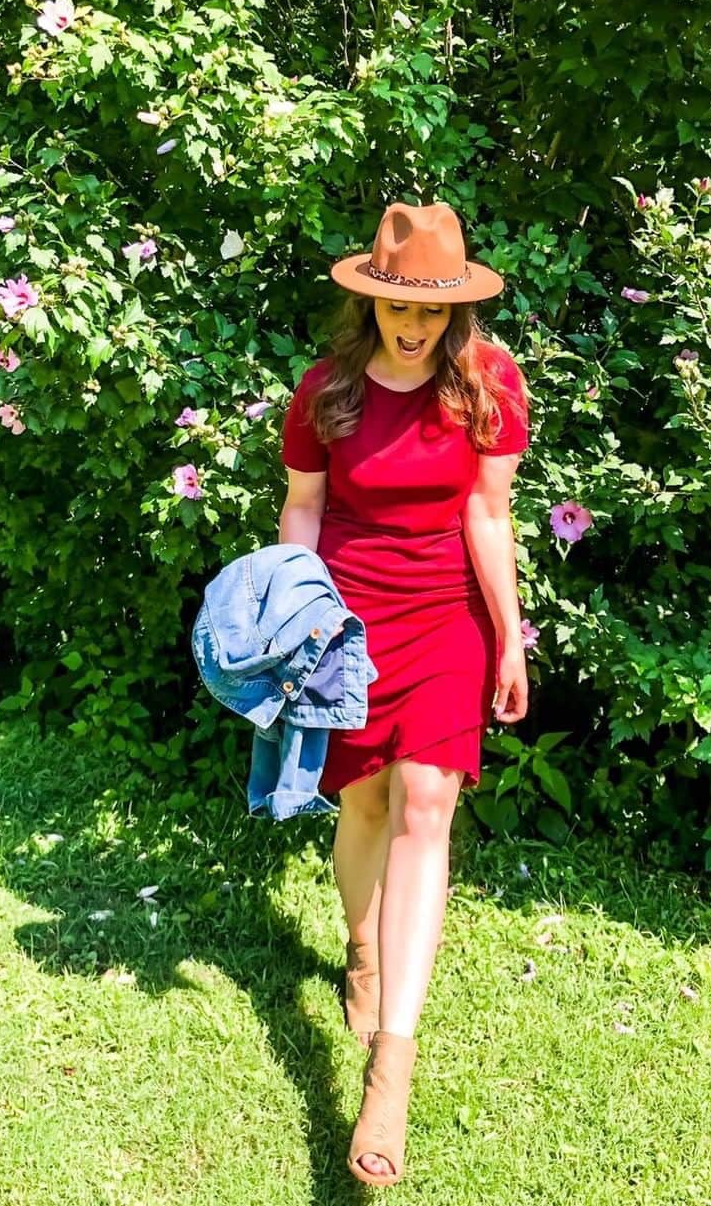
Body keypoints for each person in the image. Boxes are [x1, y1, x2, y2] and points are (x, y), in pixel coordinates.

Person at [278, 199, 531, 1187]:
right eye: (400, 309)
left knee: (427, 800)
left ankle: (392, 1064)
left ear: (455, 309)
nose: (416, 326)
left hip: (444, 620)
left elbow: (488, 511)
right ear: (373, 302)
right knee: (369, 802)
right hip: (346, 615)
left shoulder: (488, 381)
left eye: (432, 311)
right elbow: (302, 508)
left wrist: (509, 636)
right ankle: (361, 943)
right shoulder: (326, 391)